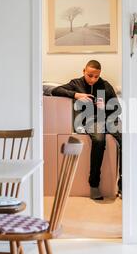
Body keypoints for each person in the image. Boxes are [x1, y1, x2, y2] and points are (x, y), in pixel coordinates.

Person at [52, 60, 121, 200]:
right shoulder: (76, 84)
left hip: (109, 119)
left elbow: (117, 109)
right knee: (99, 140)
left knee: (127, 141)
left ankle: (123, 185)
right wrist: (76, 95)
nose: (93, 79)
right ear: (84, 71)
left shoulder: (105, 86)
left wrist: (105, 106)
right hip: (91, 121)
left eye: (96, 76)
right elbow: (55, 91)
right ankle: (94, 184)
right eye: (90, 75)